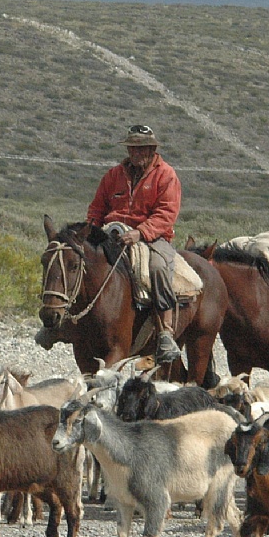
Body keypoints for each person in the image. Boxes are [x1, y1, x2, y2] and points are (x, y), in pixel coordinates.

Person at [86, 123, 183, 365]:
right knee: (78, 259)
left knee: (159, 267)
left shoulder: (166, 175)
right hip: (113, 233)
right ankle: (64, 322)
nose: (135, 154)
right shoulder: (113, 175)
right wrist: (91, 230)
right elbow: (98, 207)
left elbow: (166, 214)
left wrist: (141, 233)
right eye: (132, 149)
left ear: (152, 150)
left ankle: (165, 333)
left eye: (140, 149)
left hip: (153, 237)